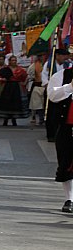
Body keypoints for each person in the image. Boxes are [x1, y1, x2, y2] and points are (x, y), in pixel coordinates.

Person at [46, 63, 73, 213]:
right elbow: (52, 96)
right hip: (67, 126)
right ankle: (70, 198)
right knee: (66, 162)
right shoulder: (61, 75)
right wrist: (70, 87)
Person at [43, 49, 72, 141]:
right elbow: (45, 77)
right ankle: (52, 134)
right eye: (63, 55)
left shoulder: (67, 64)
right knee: (51, 113)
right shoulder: (49, 65)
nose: (65, 58)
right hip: (57, 92)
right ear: (57, 55)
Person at [0, 55, 28, 126]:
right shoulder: (5, 69)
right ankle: (5, 120)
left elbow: (25, 76)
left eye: (15, 60)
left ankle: (14, 119)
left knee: (15, 103)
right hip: (7, 87)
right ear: (9, 61)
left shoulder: (20, 70)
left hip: (16, 87)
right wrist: (2, 79)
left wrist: (24, 83)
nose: (14, 62)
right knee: (6, 103)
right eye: (12, 60)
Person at [27, 54, 46, 124]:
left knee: (43, 103)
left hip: (44, 86)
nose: (42, 57)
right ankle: (35, 117)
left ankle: (42, 118)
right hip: (37, 85)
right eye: (40, 56)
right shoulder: (33, 66)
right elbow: (31, 75)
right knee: (37, 104)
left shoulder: (47, 65)